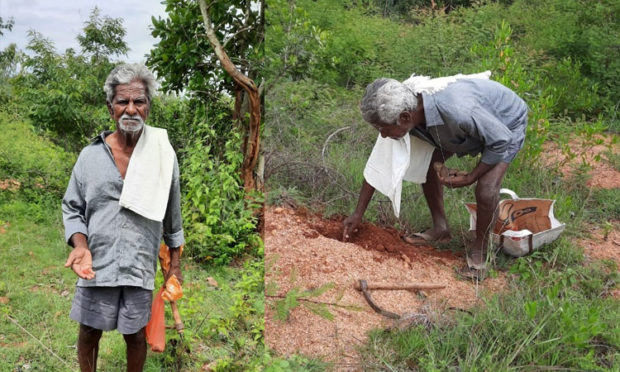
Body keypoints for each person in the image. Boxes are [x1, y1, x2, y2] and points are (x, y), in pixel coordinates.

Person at [62, 63, 184, 372]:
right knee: (89, 332)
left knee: (135, 336)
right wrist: (80, 244)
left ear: (148, 107)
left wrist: (175, 268)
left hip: (138, 263)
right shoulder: (90, 156)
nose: (131, 109)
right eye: (123, 102)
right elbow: (72, 207)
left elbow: (173, 218)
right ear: (110, 107)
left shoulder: (162, 154)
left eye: (138, 101)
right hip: (96, 264)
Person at [343, 76, 528, 275]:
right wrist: (358, 214)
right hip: (464, 125)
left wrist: (471, 176)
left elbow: (500, 140)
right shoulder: (399, 107)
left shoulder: (458, 112)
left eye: (384, 130)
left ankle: (480, 252)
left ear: (406, 118)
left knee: (486, 189)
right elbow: (379, 162)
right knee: (430, 165)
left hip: (505, 122)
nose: (383, 136)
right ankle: (440, 228)